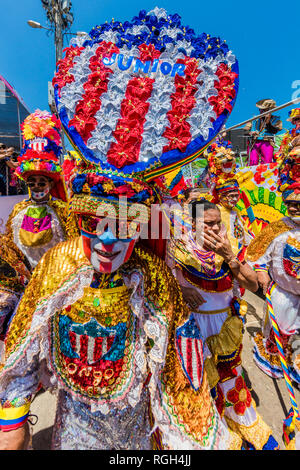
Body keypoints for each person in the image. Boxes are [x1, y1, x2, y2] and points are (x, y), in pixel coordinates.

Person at [166, 198, 279, 449]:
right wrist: (181, 290)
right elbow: (161, 280)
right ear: (192, 223)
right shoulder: (177, 246)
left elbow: (252, 284)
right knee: (199, 384)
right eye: (208, 224)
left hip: (225, 328)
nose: (216, 229)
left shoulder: (231, 247)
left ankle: (238, 423)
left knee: (230, 378)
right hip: (194, 329)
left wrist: (230, 257)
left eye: (218, 223)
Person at [246, 146, 300, 384]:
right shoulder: (277, 227)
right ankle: (274, 359)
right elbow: (257, 255)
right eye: (291, 203)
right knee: (280, 331)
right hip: (283, 294)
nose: (295, 207)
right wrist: (260, 272)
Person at [4, 110, 79, 271]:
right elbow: (10, 243)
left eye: (41, 182)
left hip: (54, 276)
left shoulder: (62, 210)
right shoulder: (18, 210)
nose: (37, 186)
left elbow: (73, 245)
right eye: (32, 183)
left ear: (51, 184)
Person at [205, 139, 253, 259]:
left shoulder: (235, 210)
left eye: (236, 195)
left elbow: (242, 233)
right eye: (231, 196)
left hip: (242, 253)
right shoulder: (217, 213)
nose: (235, 199)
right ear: (220, 197)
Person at [244, 99, 282, 165]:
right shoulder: (254, 119)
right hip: (254, 142)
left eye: (264, 110)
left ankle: (265, 175)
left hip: (267, 142)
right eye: (260, 109)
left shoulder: (276, 119)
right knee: (252, 162)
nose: (261, 111)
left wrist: (267, 122)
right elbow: (245, 130)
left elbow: (274, 131)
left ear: (269, 110)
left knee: (267, 162)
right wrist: (250, 133)